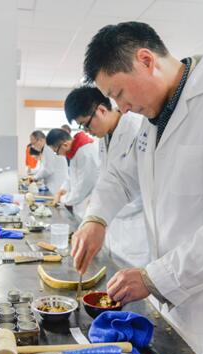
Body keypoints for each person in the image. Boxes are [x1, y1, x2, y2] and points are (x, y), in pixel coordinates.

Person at [71, 22, 203, 354]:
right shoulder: (152, 119)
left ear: (146, 60)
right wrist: (96, 219)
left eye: (119, 93)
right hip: (176, 302)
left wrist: (153, 277)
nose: (122, 107)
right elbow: (121, 177)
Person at [64, 86, 149, 267]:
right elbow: (106, 177)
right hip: (115, 225)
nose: (86, 131)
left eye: (86, 124)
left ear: (101, 110)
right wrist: (98, 209)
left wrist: (101, 212)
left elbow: (133, 184)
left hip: (136, 226)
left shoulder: (137, 129)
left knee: (131, 278)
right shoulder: (104, 136)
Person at [46, 128, 100, 219]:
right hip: (79, 204)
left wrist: (62, 199)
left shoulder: (85, 152)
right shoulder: (75, 151)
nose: (58, 155)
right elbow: (71, 177)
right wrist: (61, 190)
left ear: (65, 145)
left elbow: (84, 187)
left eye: (56, 152)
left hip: (88, 204)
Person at [28, 130, 68, 194]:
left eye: (33, 143)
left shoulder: (48, 148)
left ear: (40, 140)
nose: (33, 146)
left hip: (57, 185)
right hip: (56, 185)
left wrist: (35, 178)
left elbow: (48, 170)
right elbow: (45, 168)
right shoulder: (46, 149)